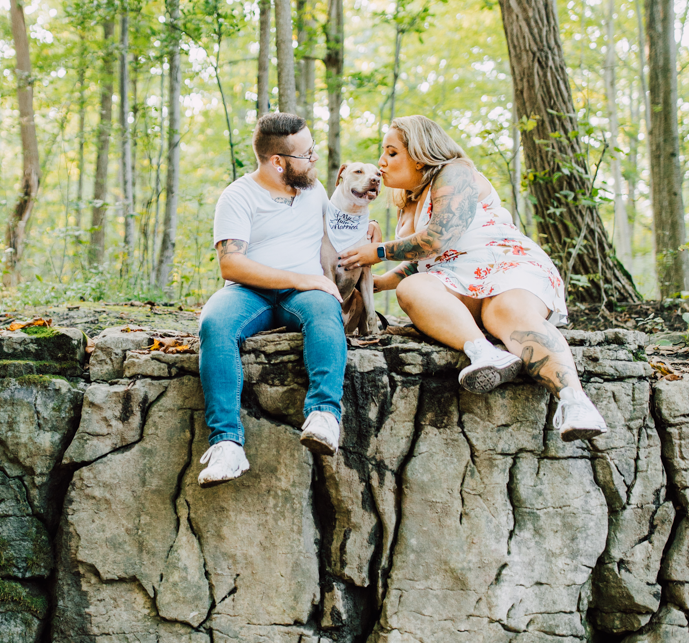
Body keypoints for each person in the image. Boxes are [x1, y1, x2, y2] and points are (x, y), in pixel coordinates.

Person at [339, 114, 608, 442]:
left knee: (509, 313)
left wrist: (377, 252)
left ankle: (575, 403)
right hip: (454, 281)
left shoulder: (455, 173)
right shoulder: (407, 207)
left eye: (392, 152)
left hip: (506, 266)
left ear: (422, 153)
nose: (381, 162)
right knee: (412, 288)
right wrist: (377, 281)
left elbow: (440, 237)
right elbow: (422, 261)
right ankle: (485, 353)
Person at [197, 112, 348, 486]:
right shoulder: (237, 196)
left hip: (304, 295)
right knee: (214, 323)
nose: (315, 159)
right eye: (307, 153)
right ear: (278, 161)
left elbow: (334, 240)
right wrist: (300, 277)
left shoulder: (315, 192)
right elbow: (231, 265)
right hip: (250, 293)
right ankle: (227, 445)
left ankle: (324, 416)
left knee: (325, 312)